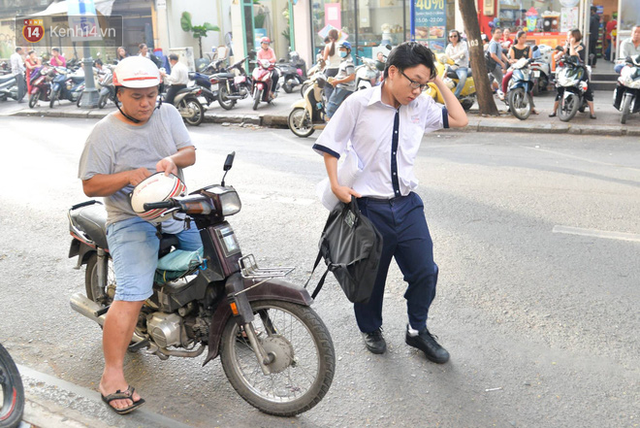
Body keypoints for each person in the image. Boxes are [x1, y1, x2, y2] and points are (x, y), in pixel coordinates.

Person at [312, 41, 467, 363]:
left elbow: (459, 119)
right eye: (414, 82)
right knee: (370, 276)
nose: (417, 90)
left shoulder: (421, 105)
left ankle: (417, 331)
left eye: (423, 84)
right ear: (392, 72)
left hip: (408, 205)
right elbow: (330, 145)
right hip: (369, 209)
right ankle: (371, 328)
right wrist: (336, 184)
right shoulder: (358, 104)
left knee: (425, 271)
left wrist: (437, 82)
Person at [78, 56, 201, 415]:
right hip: (129, 220)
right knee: (132, 292)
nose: (146, 103)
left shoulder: (168, 114)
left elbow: (190, 152)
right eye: (136, 96)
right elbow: (90, 184)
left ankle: (233, 321)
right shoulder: (104, 132)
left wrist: (173, 160)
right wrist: (127, 176)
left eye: (151, 95)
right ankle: (111, 376)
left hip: (176, 208)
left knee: (220, 257)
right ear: (119, 95)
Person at [549, 29, 596, 119]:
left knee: (587, 89)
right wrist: (559, 54)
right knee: (560, 88)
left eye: (570, 35)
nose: (568, 37)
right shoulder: (567, 45)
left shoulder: (581, 46)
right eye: (568, 36)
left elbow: (573, 55)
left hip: (579, 69)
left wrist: (570, 44)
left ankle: (592, 112)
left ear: (575, 36)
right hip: (568, 69)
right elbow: (558, 55)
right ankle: (554, 110)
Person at [499, 31, 538, 114]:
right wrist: (517, 61)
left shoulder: (528, 48)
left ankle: (532, 107)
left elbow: (530, 58)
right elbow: (511, 59)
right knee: (506, 77)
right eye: (522, 37)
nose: (524, 39)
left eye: (525, 37)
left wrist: (526, 61)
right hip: (515, 68)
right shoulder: (513, 48)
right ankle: (504, 93)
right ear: (518, 38)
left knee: (529, 86)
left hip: (526, 68)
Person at [325, 41, 356, 119]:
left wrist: (337, 81)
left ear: (348, 50)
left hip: (344, 87)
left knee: (331, 107)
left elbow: (352, 77)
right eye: (339, 49)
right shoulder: (343, 61)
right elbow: (343, 75)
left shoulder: (349, 62)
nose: (340, 51)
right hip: (341, 86)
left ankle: (331, 126)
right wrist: (336, 79)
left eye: (342, 49)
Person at [444, 29, 469, 98]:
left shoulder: (463, 43)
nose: (453, 38)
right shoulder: (449, 47)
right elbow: (446, 59)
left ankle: (455, 96)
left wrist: (451, 58)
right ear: (449, 38)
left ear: (458, 36)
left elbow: (462, 52)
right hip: (451, 67)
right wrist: (445, 70)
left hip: (461, 68)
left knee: (463, 78)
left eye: (455, 36)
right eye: (451, 36)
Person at [488, 28, 508, 97]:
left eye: (500, 32)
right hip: (495, 66)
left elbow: (501, 54)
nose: (500, 34)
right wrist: (501, 63)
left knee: (489, 81)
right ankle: (504, 97)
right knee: (501, 81)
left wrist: (507, 61)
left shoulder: (498, 42)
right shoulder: (493, 43)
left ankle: (486, 94)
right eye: (497, 32)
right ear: (493, 34)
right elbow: (492, 55)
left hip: (495, 65)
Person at [323, 29, 341, 104]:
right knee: (339, 87)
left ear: (329, 37)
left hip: (330, 70)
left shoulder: (328, 46)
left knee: (327, 87)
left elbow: (324, 58)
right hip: (340, 70)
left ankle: (330, 103)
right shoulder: (341, 45)